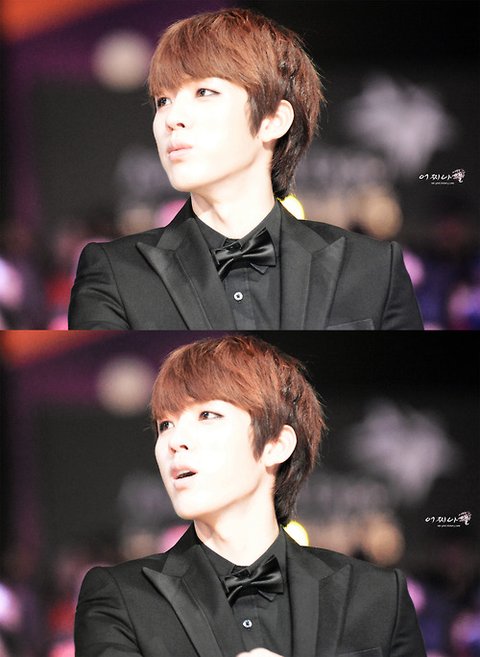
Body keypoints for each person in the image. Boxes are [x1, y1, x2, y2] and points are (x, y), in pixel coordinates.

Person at [68, 8, 423, 330]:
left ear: (273, 120)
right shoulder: (115, 273)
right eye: (163, 100)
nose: (172, 118)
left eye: (204, 92)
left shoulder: (372, 268)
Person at [74, 335, 426, 657]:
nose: (174, 441)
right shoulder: (121, 598)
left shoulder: (376, 597)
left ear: (276, 445)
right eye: (165, 424)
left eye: (207, 415)